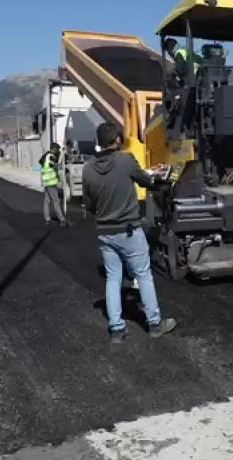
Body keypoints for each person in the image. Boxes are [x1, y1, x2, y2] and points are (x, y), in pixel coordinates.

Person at [82, 122, 177, 342]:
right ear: (117, 140)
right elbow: (146, 182)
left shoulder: (88, 168)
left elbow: (88, 204)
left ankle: (116, 328)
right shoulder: (125, 160)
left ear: (98, 142)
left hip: (105, 232)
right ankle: (154, 324)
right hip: (129, 230)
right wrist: (157, 176)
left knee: (113, 278)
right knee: (143, 275)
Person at [38, 143, 68, 227]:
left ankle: (47, 219)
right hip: (51, 183)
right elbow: (55, 166)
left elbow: (38, 166)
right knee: (56, 201)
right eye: (57, 150)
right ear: (54, 149)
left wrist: (62, 152)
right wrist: (60, 163)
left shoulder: (44, 156)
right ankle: (62, 219)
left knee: (47, 202)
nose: (57, 152)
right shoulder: (51, 156)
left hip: (46, 183)